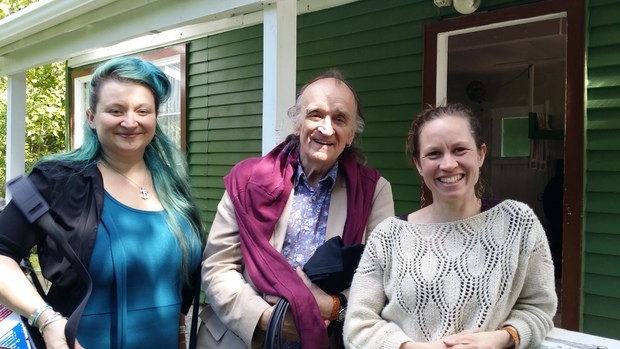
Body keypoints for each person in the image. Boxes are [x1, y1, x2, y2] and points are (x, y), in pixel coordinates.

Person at [0, 57, 205, 349]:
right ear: (91, 117)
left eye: (142, 111)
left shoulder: (173, 185)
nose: (130, 121)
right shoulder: (58, 181)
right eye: (116, 110)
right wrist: (46, 318)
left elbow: (180, 281)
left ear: (155, 118)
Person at [199, 69, 395, 349]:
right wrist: (267, 318)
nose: (326, 129)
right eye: (315, 114)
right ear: (297, 122)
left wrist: (335, 306)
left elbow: (378, 279)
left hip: (324, 338)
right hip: (241, 337)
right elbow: (218, 266)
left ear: (351, 134)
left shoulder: (373, 191)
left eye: (339, 119)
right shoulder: (248, 180)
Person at [343, 103, 557, 349]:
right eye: (434, 154)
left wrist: (501, 338)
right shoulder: (387, 236)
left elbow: (539, 308)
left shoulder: (518, 223)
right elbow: (358, 326)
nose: (448, 164)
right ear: (418, 164)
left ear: (480, 154)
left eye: (459, 150)